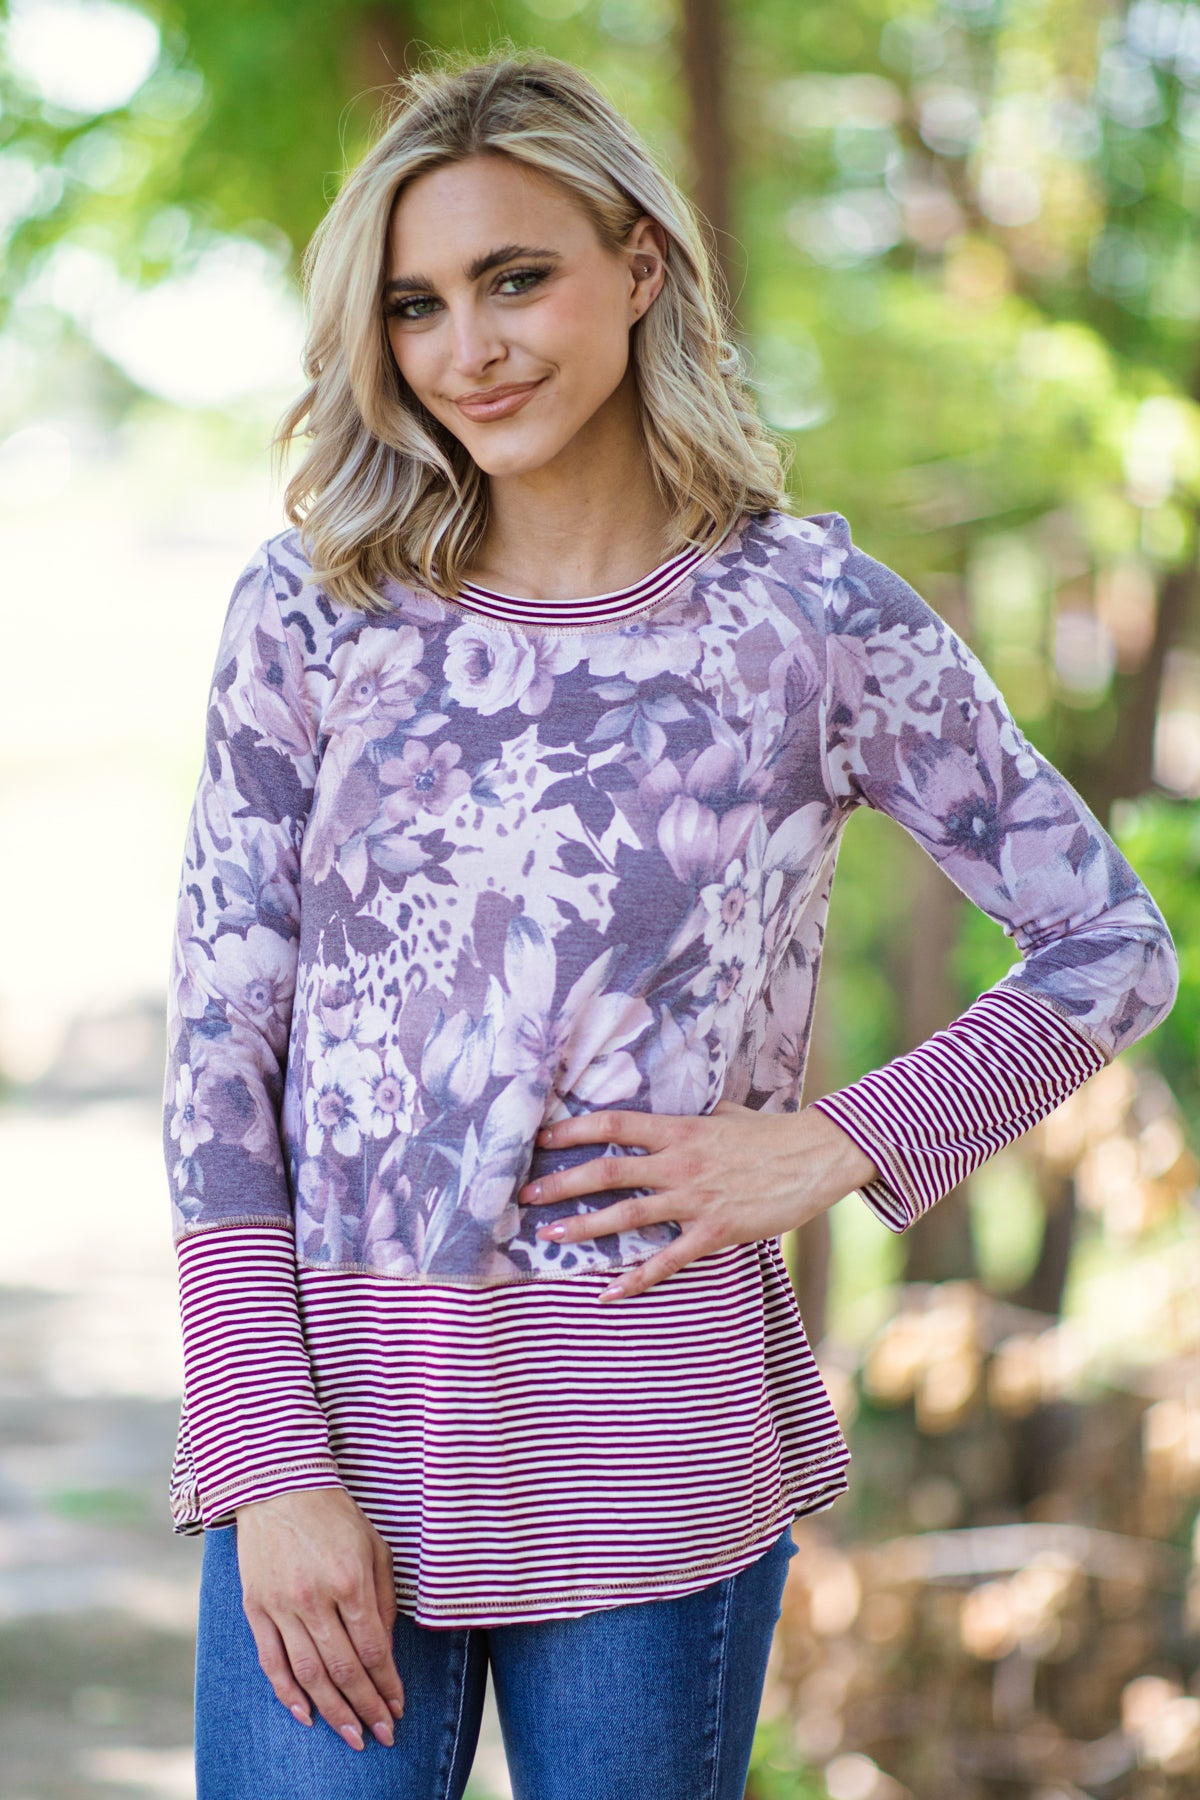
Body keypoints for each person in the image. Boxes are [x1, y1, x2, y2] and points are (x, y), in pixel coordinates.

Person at [161, 46, 1178, 1800]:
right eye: (414, 304)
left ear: (641, 267)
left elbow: (1109, 945)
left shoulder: (808, 620)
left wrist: (840, 1145)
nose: (466, 347)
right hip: (340, 1449)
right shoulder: (315, 611)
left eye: (516, 278)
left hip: (657, 1438)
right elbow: (219, 1050)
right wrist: (265, 1460)